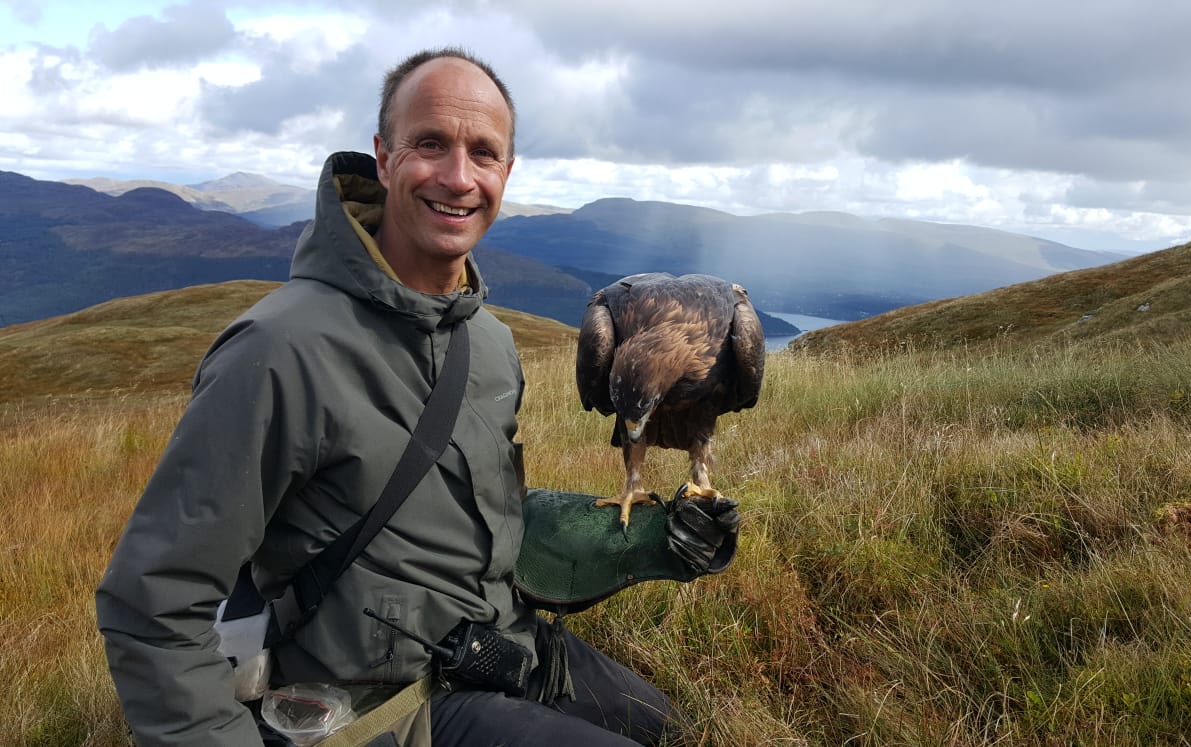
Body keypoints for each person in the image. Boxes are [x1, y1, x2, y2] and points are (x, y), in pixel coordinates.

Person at [96, 48, 736, 746]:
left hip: (499, 648)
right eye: (431, 143)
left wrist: (651, 539)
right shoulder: (278, 351)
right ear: (383, 156)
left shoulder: (486, 343)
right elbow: (152, 603)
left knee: (673, 727)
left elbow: (484, 524)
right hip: (383, 708)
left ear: (506, 173)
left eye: (483, 153)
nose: (458, 177)